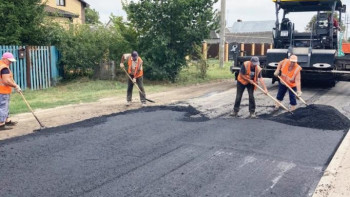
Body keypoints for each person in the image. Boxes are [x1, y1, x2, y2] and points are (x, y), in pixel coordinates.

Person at [0, 52, 21, 130]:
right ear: (4, 59)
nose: (11, 62)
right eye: (9, 60)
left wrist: (15, 85)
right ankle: (1, 124)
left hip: (2, 91)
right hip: (2, 91)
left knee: (5, 106)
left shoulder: (1, 65)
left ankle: (6, 120)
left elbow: (9, 79)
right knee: (3, 107)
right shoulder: (4, 68)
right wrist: (15, 86)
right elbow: (6, 81)